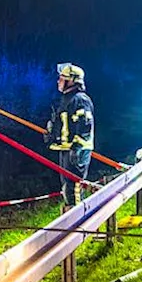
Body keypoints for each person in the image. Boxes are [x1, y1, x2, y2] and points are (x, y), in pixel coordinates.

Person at [45, 63, 94, 207]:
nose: (58, 81)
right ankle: (73, 218)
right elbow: (65, 124)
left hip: (76, 151)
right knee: (67, 187)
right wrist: (52, 136)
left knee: (74, 187)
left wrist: (76, 147)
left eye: (62, 78)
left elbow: (84, 126)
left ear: (72, 80)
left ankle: (80, 222)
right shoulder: (67, 99)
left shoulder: (80, 99)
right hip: (66, 149)